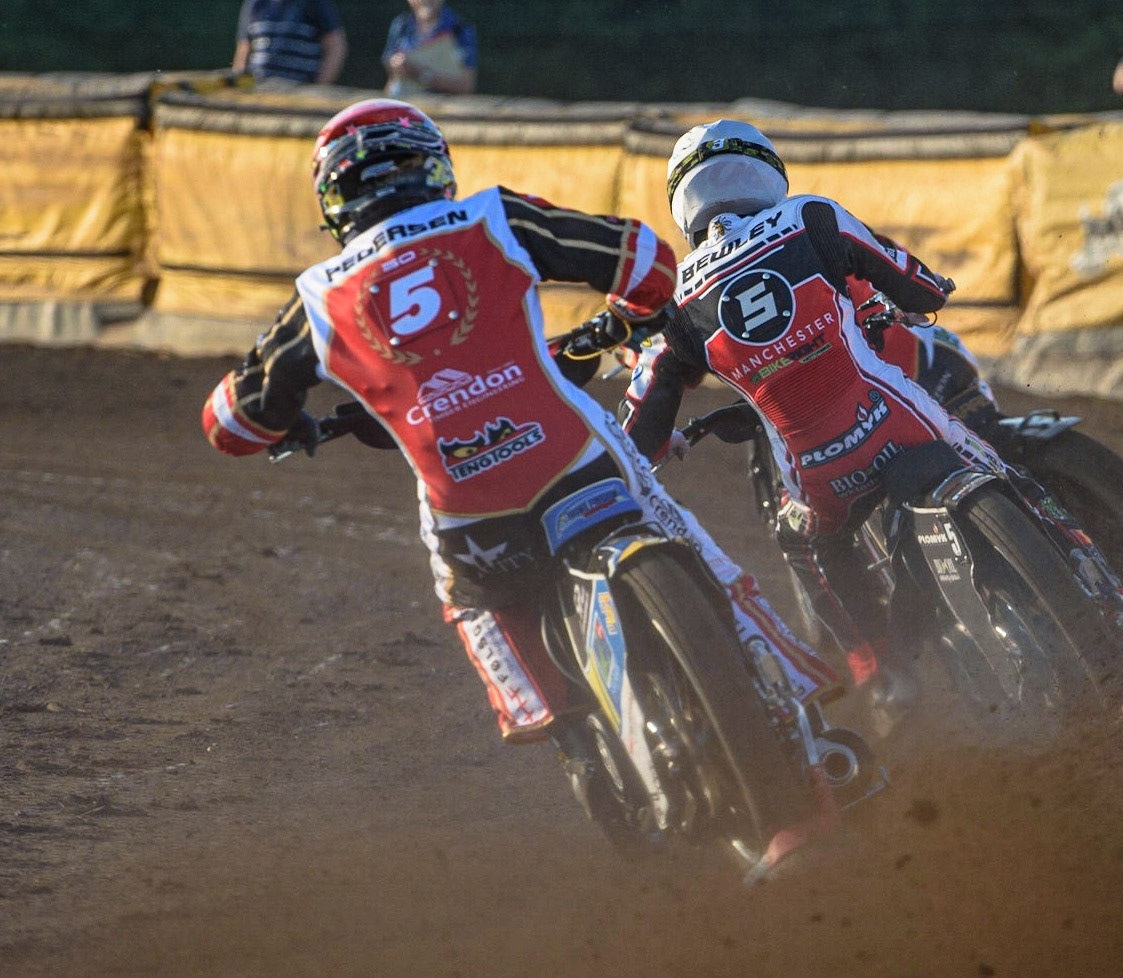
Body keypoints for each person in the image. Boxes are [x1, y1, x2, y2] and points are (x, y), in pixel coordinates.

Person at [200, 99, 839, 840]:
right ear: (434, 166)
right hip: (576, 464)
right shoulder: (491, 218)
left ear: (333, 199)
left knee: (472, 598)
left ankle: (557, 724)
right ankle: (791, 691)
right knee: (683, 535)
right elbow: (644, 260)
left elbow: (231, 425)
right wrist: (633, 313)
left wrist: (289, 421)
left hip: (475, 519)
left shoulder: (315, 300)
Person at [621, 120, 1014, 733]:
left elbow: (638, 436)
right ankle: (1089, 565)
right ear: (766, 172)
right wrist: (931, 292)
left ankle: (880, 668)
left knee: (808, 544)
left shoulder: (679, 301)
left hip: (818, 473)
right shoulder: (810, 216)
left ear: (683, 205)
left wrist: (651, 446)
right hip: (901, 417)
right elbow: (917, 285)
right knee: (996, 467)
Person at [233, 0, 347, 86]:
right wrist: (238, 86)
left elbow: (336, 46)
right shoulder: (254, 3)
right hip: (259, 90)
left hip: (300, 93)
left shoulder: (315, 3)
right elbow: (244, 49)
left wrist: (319, 86)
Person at [383, 0, 478, 97]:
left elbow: (466, 86)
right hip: (403, 99)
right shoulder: (401, 25)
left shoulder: (459, 30)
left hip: (443, 104)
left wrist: (420, 74)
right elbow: (391, 72)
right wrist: (397, 64)